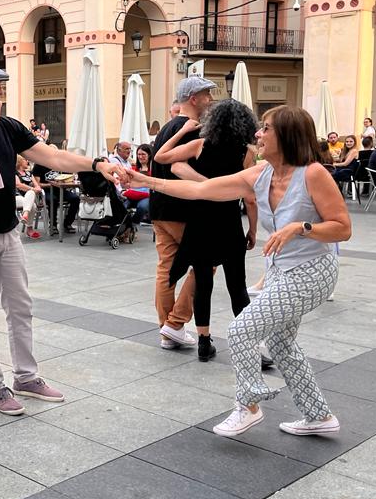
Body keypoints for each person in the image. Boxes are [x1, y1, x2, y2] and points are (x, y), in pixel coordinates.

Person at [123, 105, 351, 437]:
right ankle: (318, 415)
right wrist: (145, 179)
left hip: (313, 271)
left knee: (242, 330)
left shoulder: (313, 174)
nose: (257, 134)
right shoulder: (260, 174)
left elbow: (342, 228)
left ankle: (248, 405)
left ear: (286, 136)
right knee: (280, 344)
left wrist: (300, 228)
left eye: (266, 129)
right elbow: (200, 190)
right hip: (280, 270)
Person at [0, 61, 125, 415]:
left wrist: (96, 163)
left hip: (8, 231)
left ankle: (26, 375)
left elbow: (52, 155)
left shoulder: (9, 127)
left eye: (2, 83)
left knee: (21, 307)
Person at [153, 100, 258, 362]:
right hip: (229, 221)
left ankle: (203, 341)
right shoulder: (247, 152)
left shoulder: (200, 145)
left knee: (203, 284)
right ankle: (249, 346)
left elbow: (161, 157)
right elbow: (251, 198)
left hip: (200, 221)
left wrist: (181, 131)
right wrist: (253, 229)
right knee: (237, 286)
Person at [150, 76, 217, 352]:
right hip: (183, 209)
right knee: (208, 262)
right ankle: (175, 324)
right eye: (206, 95)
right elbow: (179, 168)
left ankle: (168, 332)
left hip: (159, 209)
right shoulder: (192, 129)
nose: (210, 100)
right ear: (193, 98)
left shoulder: (167, 127)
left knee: (167, 270)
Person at [122, 144, 153, 223]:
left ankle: (132, 224)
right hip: (133, 194)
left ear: (149, 155)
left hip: (147, 196)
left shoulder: (154, 169)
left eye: (143, 154)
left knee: (142, 207)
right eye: (139, 154)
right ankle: (126, 226)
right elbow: (127, 184)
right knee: (122, 207)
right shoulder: (133, 168)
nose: (140, 156)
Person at [15, 155, 42, 239]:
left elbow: (37, 186)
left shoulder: (29, 173)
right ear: (19, 161)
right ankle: (29, 229)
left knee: (31, 195)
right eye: (25, 159)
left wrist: (34, 189)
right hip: (16, 197)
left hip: (29, 197)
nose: (27, 161)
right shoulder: (14, 172)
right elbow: (18, 185)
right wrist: (32, 188)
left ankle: (25, 214)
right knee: (32, 204)